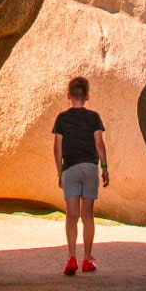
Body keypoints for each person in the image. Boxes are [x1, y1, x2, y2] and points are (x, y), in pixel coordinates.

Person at [52, 76, 109, 275]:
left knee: (71, 216)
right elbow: (99, 144)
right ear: (87, 96)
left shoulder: (62, 118)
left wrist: (60, 171)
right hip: (90, 168)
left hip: (70, 169)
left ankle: (71, 258)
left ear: (69, 96)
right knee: (87, 215)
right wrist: (105, 167)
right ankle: (87, 259)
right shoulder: (94, 117)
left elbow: (57, 148)